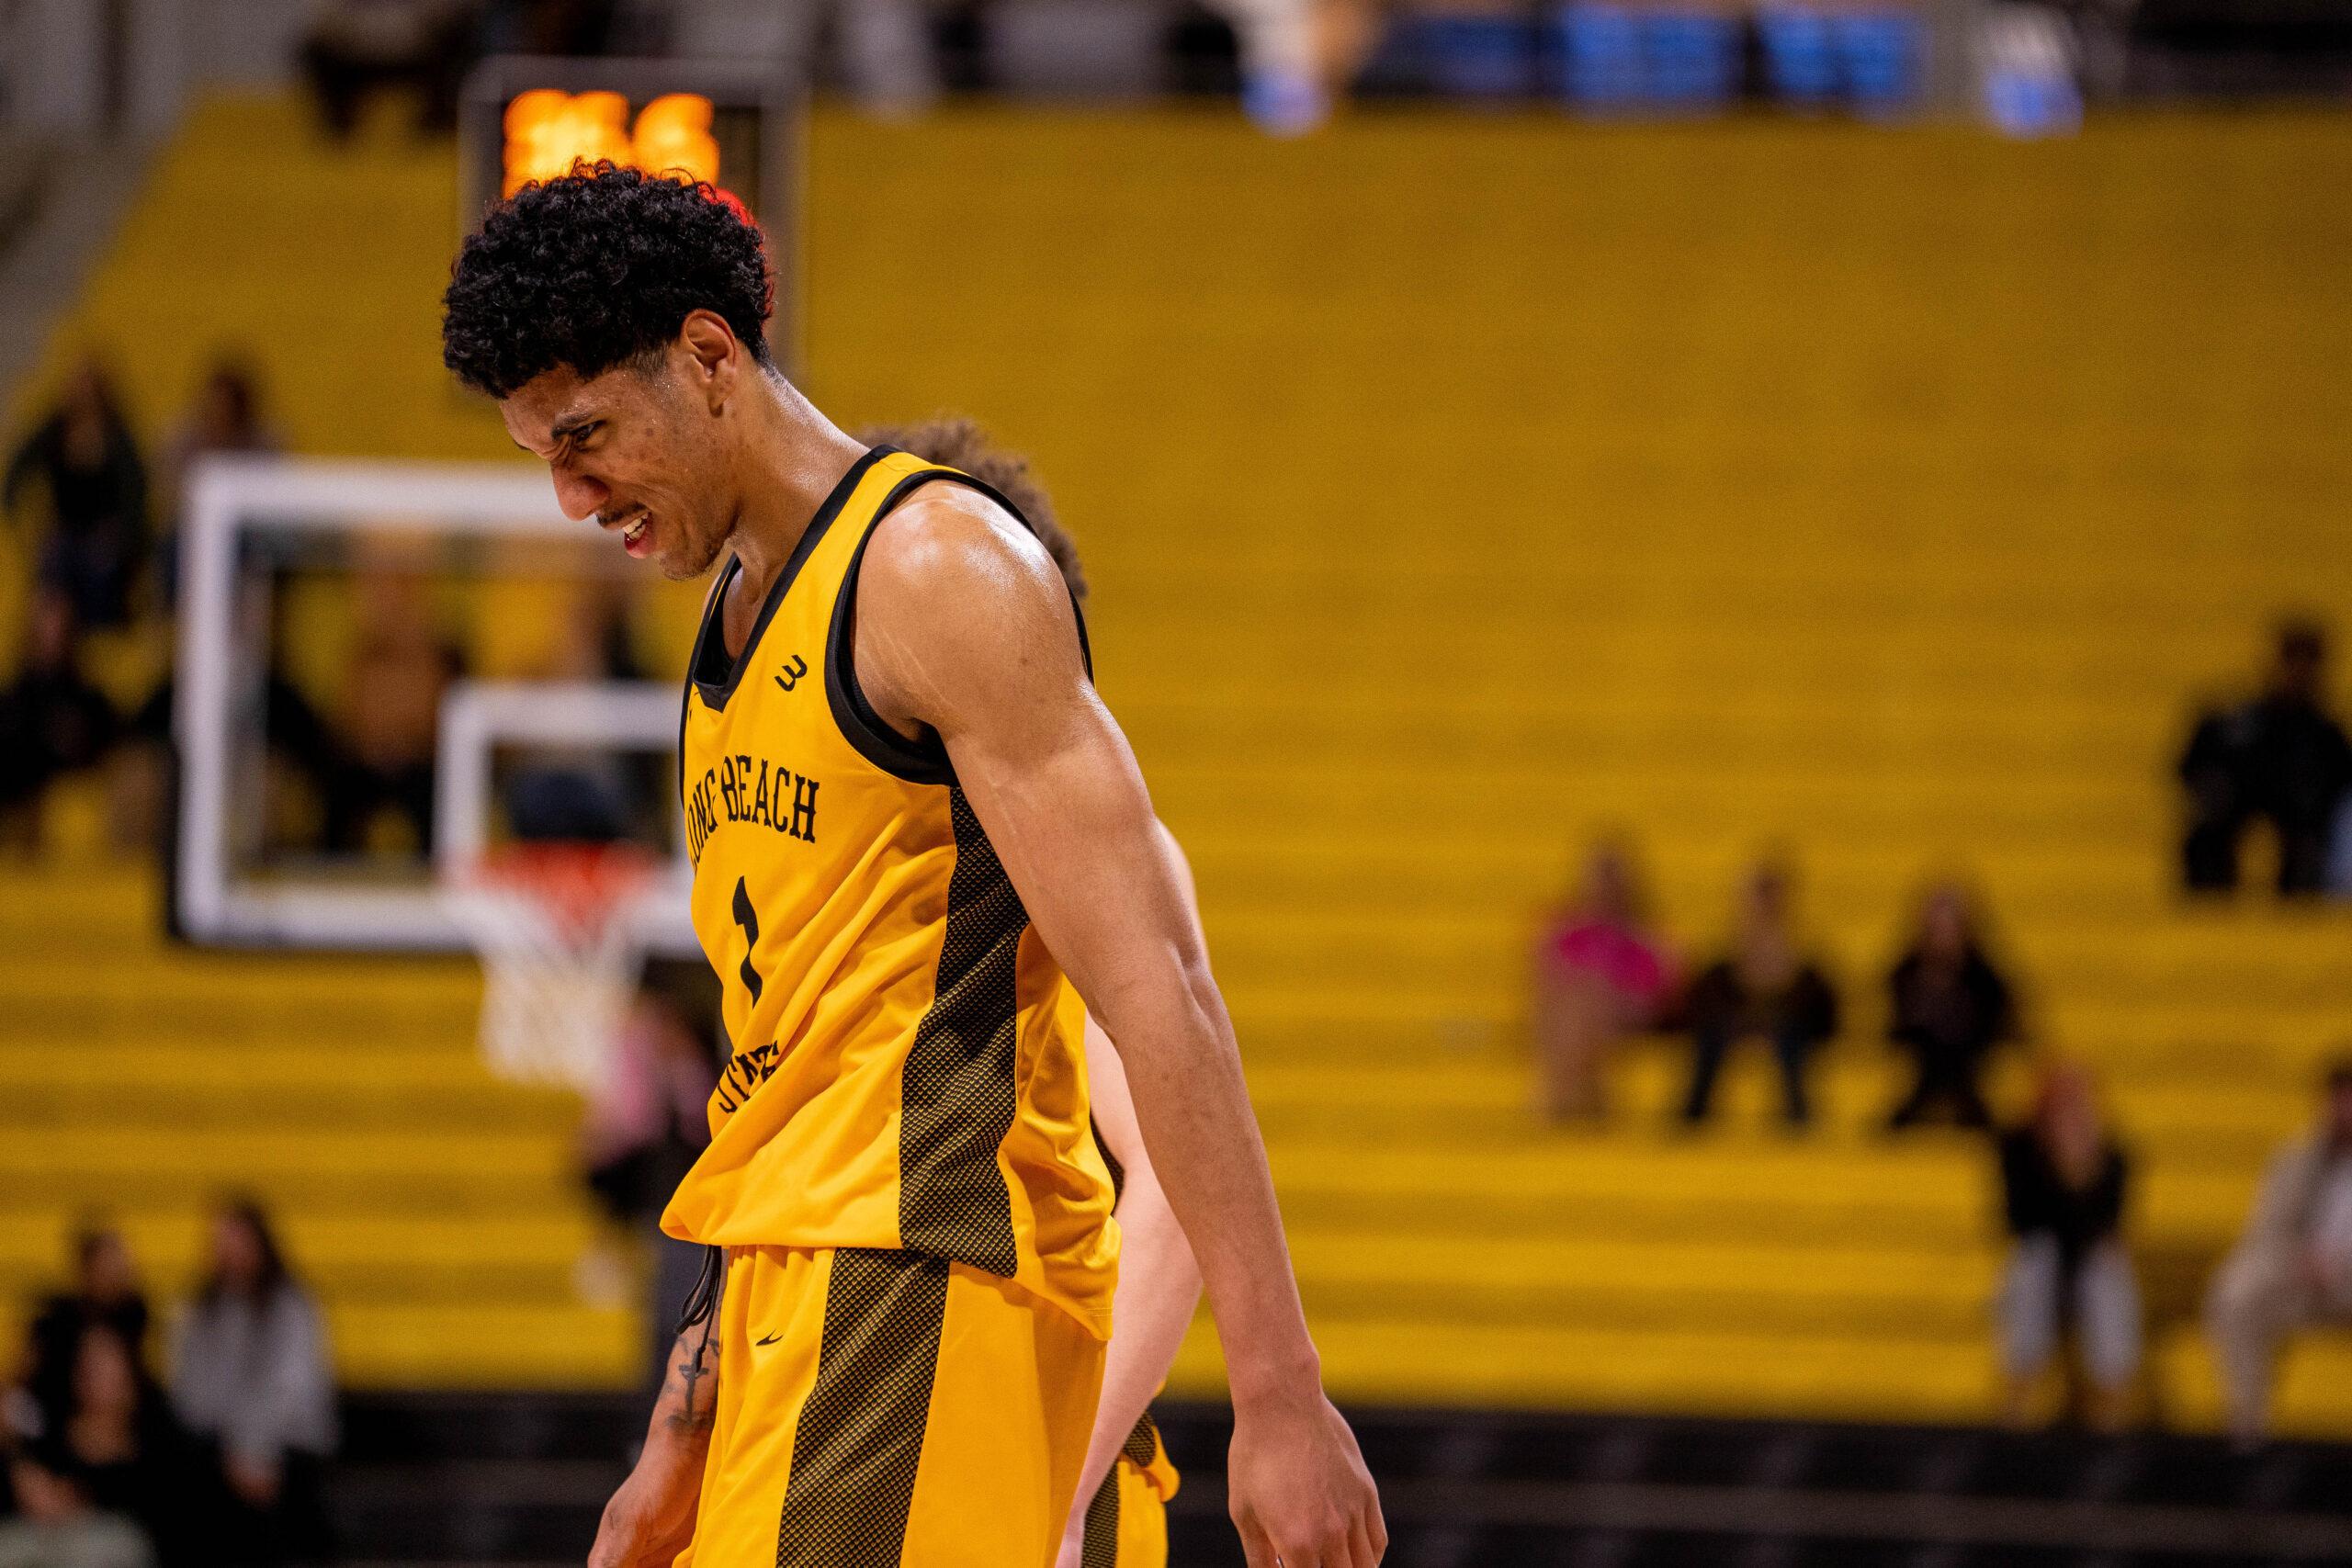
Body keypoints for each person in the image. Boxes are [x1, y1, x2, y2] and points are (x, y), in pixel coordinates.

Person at [441, 167, 1383, 1568]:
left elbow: (1161, 985)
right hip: (793, 1310)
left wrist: (1280, 1387)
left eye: (585, 437)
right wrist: (682, 1427)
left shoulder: (933, 569)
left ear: (708, 357)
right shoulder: (730, 628)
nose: (572, 496)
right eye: (543, 457)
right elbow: (780, 1077)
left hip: (918, 1291)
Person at [856, 414, 1199, 1568]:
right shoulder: (871, 873)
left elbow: (1174, 1188)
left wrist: (1058, 1492)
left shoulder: (1056, 856)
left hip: (1024, 1456)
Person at [168, 1200, 336, 1567]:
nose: (230, 1253)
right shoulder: (197, 1313)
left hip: (285, 1451)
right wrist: (234, 1454)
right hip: (219, 1454)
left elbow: (293, 1392)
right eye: (221, 1243)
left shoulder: (293, 1308)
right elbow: (191, 1397)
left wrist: (255, 1450)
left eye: (238, 1241)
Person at [2204, 1055, 2352, 1446]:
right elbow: (2266, 1232)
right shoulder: (2296, 1161)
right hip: (2304, 1283)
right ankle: (2248, 1430)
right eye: (2341, 1100)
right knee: (2236, 1295)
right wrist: (2303, 1259)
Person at [1995, 1061, 2140, 1431]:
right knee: (2033, 1265)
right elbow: (2019, 1220)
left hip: (2087, 1263)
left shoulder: (2112, 1155)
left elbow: (2108, 1225)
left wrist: (2083, 1172)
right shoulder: (2018, 1148)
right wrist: (2061, 1169)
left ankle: (2112, 1403)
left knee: (2106, 1272)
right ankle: (2018, 1399)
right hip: (2041, 1258)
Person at [2177, 619, 2352, 897]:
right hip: (2231, 817)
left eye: (2306, 664)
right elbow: (2191, 768)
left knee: (2309, 845)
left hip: (2302, 833)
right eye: (2292, 661)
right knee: (2206, 841)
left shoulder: (2325, 736)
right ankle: (2207, 910)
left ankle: (2300, 914)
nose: (2297, 674)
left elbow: (2340, 793)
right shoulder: (2233, 724)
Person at [1678, 862, 1838, 1128]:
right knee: (1709, 1042)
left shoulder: (1805, 953)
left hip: (1788, 1027)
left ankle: (1798, 1119)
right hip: (1731, 1025)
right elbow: (1703, 1002)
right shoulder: (1725, 954)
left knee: (1791, 1042)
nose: (1766, 904)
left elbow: (1823, 1008)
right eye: (1760, 894)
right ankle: (1693, 1119)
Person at [1530, 841, 1676, 1123]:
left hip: (1629, 1016)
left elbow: (1662, 990)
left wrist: (1606, 993)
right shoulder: (1566, 932)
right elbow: (1547, 982)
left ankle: (1566, 1097)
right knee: (1577, 1005)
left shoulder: (1647, 936)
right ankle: (1586, 1093)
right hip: (1581, 1018)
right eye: (1601, 877)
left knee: (1586, 1004)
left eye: (1613, 878)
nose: (1606, 887)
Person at [3, 356, 149, 630]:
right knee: (56, 559)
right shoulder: (54, 430)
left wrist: (123, 535)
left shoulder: (117, 436)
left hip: (105, 534)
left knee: (100, 565)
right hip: (65, 533)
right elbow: (18, 469)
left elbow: (135, 490)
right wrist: (21, 522)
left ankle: (100, 632)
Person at [1882, 882, 2020, 1131]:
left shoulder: (1988, 983)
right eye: (1935, 925)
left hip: (1971, 1082)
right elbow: (1886, 1034)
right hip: (1916, 1082)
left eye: (1947, 924)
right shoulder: (1901, 976)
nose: (1941, 933)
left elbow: (2006, 1034)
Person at [0, 588, 120, 853]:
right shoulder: (14, 698)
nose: (52, 633)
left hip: (70, 798)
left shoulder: (88, 699)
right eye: (44, 623)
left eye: (59, 624)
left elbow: (104, 748)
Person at [0, 1442, 153, 1568]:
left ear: (66, 1484)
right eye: (19, 1490)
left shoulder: (117, 1535)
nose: (25, 1499)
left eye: (35, 1488)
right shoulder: (9, 1538)